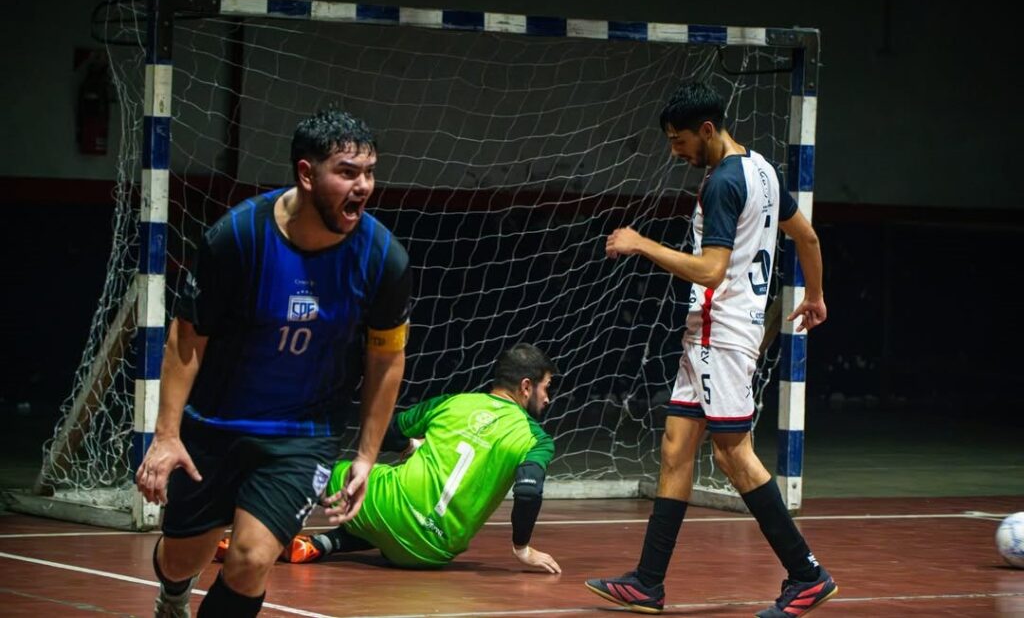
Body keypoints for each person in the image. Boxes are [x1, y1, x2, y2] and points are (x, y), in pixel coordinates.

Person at [135, 107, 412, 618]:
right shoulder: (237, 237)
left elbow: (387, 358)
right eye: (347, 172)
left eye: (370, 172)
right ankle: (173, 594)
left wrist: (367, 456)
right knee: (183, 558)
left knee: (250, 559)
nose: (364, 185)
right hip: (214, 425)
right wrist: (167, 434)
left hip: (302, 434)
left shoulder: (383, 258)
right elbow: (189, 335)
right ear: (307, 174)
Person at [585, 82, 836, 616]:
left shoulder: (722, 183)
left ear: (706, 130)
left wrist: (640, 244)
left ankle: (806, 575)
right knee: (677, 448)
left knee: (732, 454)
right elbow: (808, 239)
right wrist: (815, 296)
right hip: (711, 333)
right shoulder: (763, 170)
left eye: (678, 141)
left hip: (720, 335)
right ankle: (648, 582)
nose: (674, 151)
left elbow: (712, 270)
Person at [217, 343, 561, 574]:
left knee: (318, 469)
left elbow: (391, 431)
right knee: (394, 520)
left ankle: (250, 530)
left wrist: (411, 448)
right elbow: (529, 492)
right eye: (547, 388)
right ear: (526, 387)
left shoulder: (452, 403)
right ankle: (327, 542)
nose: (548, 398)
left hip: (385, 508)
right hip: (430, 552)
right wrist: (522, 549)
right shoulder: (536, 439)